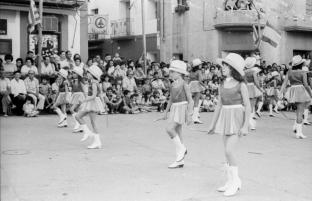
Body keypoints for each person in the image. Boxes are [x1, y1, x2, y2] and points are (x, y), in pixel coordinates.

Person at [208, 53, 251, 197]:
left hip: (237, 118)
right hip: (225, 118)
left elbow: (248, 106)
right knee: (226, 153)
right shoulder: (222, 84)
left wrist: (245, 126)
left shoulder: (241, 84)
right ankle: (231, 180)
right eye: (223, 65)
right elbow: (219, 105)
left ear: (233, 68)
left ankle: (235, 182)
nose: (223, 68)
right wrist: (213, 124)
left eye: (226, 66)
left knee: (229, 151)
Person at [163, 60, 193, 169]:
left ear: (179, 73)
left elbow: (191, 100)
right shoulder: (172, 84)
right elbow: (171, 99)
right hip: (174, 109)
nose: (170, 74)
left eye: (172, 72)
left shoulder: (184, 84)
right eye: (170, 72)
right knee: (179, 133)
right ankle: (179, 160)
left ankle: (182, 149)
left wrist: (190, 114)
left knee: (169, 129)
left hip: (182, 108)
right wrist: (166, 111)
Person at [279, 55, 312, 139]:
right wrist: (310, 93)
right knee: (300, 112)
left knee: (298, 111)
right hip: (301, 91)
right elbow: (306, 84)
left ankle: (296, 127)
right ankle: (299, 133)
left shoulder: (290, 72)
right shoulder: (303, 72)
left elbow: (284, 83)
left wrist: (281, 92)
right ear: (301, 64)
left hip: (292, 90)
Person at [75, 65, 103, 149]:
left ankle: (97, 142)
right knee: (78, 116)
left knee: (93, 123)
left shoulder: (94, 82)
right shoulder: (92, 82)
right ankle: (87, 132)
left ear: (92, 74)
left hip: (93, 103)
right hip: (90, 102)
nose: (87, 74)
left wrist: (84, 100)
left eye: (88, 72)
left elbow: (94, 96)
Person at [244, 57, 263, 130]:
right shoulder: (253, 72)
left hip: (246, 87)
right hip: (252, 88)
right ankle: (251, 123)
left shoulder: (244, 72)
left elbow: (243, 81)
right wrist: (260, 89)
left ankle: (247, 122)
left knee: (246, 106)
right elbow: (256, 82)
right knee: (251, 106)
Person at [69, 67, 86, 132]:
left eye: (74, 73)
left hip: (80, 95)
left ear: (78, 74)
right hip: (75, 95)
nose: (73, 74)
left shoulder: (81, 80)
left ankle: (77, 124)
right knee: (77, 111)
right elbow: (72, 90)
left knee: (72, 109)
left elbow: (84, 89)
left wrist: (86, 98)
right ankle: (80, 126)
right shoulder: (72, 81)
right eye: (72, 73)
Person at [189, 58, 205, 124]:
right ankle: (195, 117)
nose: (201, 65)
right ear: (198, 65)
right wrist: (204, 85)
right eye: (200, 64)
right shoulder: (199, 71)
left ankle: (196, 113)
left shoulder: (191, 71)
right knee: (196, 101)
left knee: (201, 98)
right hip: (197, 85)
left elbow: (189, 79)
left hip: (191, 84)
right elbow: (200, 80)